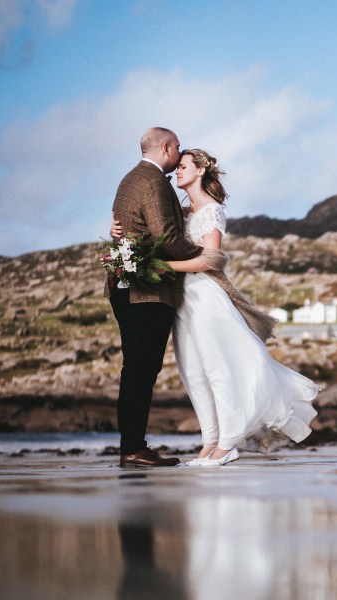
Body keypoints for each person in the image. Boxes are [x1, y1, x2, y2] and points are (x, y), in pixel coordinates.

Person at [165, 149, 321, 466]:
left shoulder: (211, 211)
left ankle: (228, 443)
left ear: (199, 171)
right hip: (183, 300)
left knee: (218, 368)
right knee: (193, 372)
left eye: (182, 167)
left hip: (205, 296)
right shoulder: (184, 213)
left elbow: (212, 259)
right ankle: (209, 442)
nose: (176, 172)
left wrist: (164, 266)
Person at [107, 128, 199, 468]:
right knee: (141, 372)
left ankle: (132, 446)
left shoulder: (131, 178)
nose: (179, 150)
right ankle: (133, 447)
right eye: (177, 145)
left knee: (135, 371)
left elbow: (132, 230)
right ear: (166, 147)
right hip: (145, 291)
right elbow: (167, 236)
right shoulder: (154, 180)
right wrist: (204, 255)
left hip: (124, 287)